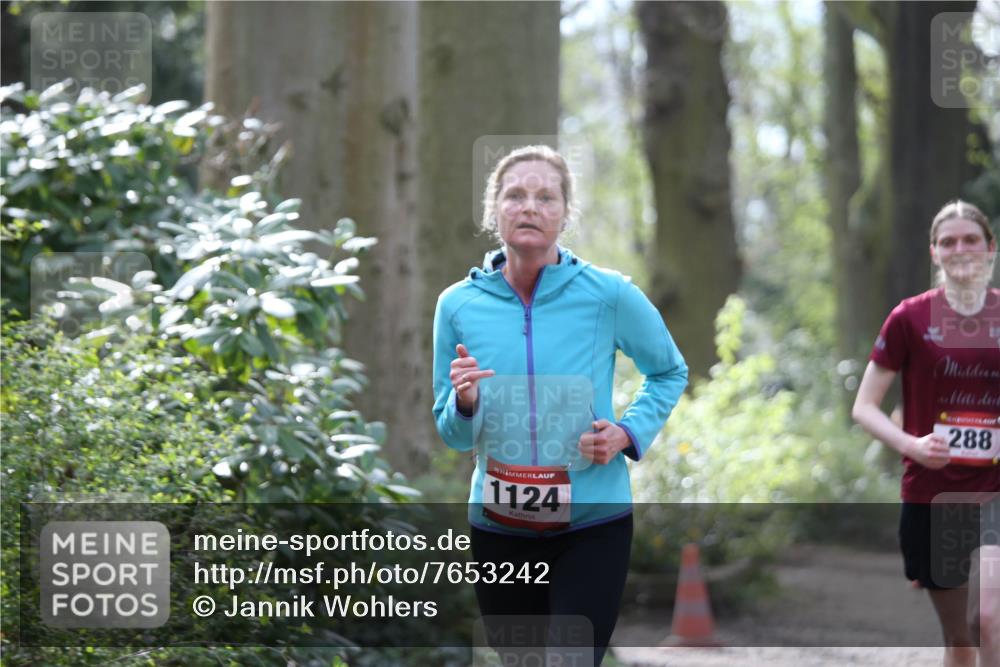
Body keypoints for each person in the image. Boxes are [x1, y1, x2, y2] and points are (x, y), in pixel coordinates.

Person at [431, 145, 688, 665]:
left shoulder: (608, 294)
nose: (530, 206)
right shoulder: (457, 305)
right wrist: (466, 402)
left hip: (592, 525)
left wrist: (626, 432)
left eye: (546, 196)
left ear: (565, 213)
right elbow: (454, 434)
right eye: (515, 195)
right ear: (493, 210)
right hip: (498, 527)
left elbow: (668, 370)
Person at [852, 200, 1000, 667]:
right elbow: (864, 406)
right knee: (960, 637)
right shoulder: (909, 319)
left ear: (990, 248)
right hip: (933, 494)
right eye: (949, 241)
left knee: (990, 619)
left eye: (971, 239)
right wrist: (911, 444)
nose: (961, 249)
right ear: (934, 252)